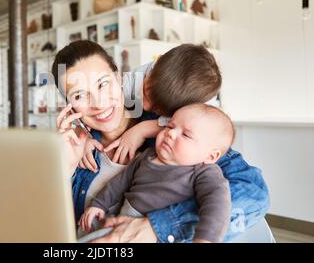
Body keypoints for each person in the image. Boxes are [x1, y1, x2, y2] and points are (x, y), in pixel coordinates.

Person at [52, 40, 269, 243]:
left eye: (103, 84)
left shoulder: (174, 133)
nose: (98, 103)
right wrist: (66, 166)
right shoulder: (77, 152)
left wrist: (157, 227)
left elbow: (254, 194)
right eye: (79, 95)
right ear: (69, 106)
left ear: (119, 78)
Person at [80, 104, 233, 243]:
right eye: (169, 126)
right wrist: (99, 204)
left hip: (160, 235)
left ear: (210, 156)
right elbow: (120, 182)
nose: (171, 134)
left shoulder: (204, 172)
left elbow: (217, 205)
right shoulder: (148, 155)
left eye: (186, 135)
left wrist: (205, 239)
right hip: (124, 221)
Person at [81, 44, 222, 171]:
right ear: (157, 62)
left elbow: (201, 130)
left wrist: (143, 130)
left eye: (158, 110)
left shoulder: (204, 108)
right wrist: (82, 135)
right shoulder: (133, 79)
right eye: (145, 93)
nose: (146, 107)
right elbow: (93, 104)